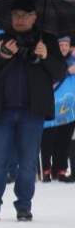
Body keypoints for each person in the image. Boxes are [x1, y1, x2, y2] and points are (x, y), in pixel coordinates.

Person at [0, 0, 65, 221]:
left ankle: (24, 207)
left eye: (25, 15)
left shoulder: (47, 41)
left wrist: (46, 57)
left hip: (33, 112)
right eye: (16, 15)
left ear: (34, 17)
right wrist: (2, 55)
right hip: (3, 111)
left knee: (28, 163)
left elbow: (60, 73)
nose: (20, 19)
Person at [40, 35, 75, 182]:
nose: (64, 48)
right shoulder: (50, 60)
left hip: (69, 108)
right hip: (51, 106)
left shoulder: (73, 61)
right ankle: (46, 170)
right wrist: (68, 71)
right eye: (61, 45)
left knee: (64, 140)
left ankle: (60, 170)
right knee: (47, 139)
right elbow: (47, 78)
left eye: (66, 45)